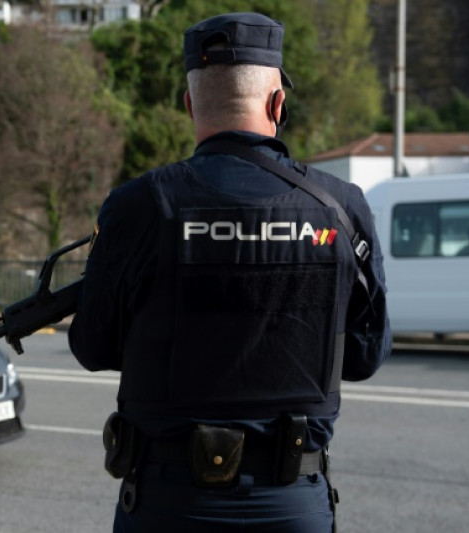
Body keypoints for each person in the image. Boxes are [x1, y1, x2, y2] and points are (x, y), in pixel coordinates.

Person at [68, 12, 391, 533]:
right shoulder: (340, 207)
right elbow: (364, 356)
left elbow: (92, 348)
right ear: (277, 103)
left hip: (168, 504)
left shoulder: (137, 206)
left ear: (189, 103)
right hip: (292, 504)